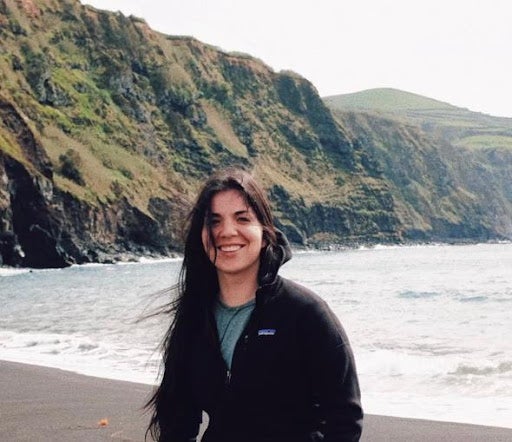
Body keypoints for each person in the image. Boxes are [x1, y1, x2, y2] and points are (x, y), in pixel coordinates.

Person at [146, 167, 363, 442]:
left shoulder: (306, 314)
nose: (226, 232)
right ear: (201, 234)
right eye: (214, 221)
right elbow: (177, 419)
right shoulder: (194, 318)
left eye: (242, 218)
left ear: (264, 232)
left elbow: (344, 419)